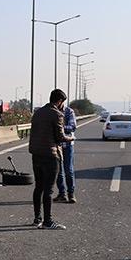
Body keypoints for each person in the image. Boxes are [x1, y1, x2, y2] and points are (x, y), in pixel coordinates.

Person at [29, 89, 74, 229]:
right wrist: (70, 138)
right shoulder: (57, 114)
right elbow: (60, 137)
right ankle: (48, 221)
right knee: (48, 190)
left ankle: (37, 218)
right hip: (50, 155)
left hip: (36, 154)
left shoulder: (37, 113)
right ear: (60, 101)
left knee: (39, 187)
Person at [54, 105, 77, 203]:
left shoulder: (69, 111)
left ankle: (71, 194)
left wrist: (59, 128)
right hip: (56, 144)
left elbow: (72, 127)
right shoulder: (52, 111)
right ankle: (62, 193)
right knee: (58, 170)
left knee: (68, 170)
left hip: (67, 145)